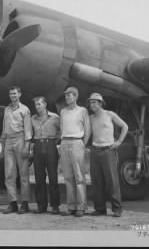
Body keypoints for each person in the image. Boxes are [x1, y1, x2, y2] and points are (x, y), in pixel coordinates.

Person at [88, 93, 128, 217]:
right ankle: (100, 209)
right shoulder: (90, 117)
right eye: (90, 103)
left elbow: (124, 126)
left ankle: (117, 209)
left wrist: (119, 141)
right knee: (96, 181)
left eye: (94, 102)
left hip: (108, 150)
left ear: (100, 103)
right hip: (94, 150)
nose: (91, 105)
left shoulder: (110, 114)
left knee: (112, 181)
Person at [0, 86, 33, 214]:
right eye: (10, 94)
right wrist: (2, 146)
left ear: (19, 94)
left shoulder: (25, 110)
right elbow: (4, 128)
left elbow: (28, 130)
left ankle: (25, 203)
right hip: (8, 141)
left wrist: (27, 146)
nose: (12, 96)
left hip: (20, 139)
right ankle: (12, 203)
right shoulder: (7, 109)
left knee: (23, 174)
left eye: (14, 93)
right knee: (9, 174)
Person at [59, 87, 91, 217]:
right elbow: (62, 127)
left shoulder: (83, 111)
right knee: (67, 177)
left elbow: (87, 129)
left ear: (76, 97)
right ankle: (71, 206)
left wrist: (83, 143)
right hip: (65, 142)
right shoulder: (63, 112)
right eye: (66, 95)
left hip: (77, 142)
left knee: (79, 176)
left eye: (70, 95)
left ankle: (81, 206)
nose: (67, 97)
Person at [31, 96, 61, 214]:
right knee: (39, 178)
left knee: (53, 177)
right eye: (36, 105)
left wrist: (57, 141)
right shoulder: (32, 118)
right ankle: (41, 205)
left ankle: (55, 205)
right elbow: (30, 133)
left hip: (50, 146)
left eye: (39, 104)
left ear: (45, 104)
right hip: (37, 146)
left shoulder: (55, 117)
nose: (37, 107)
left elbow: (61, 130)